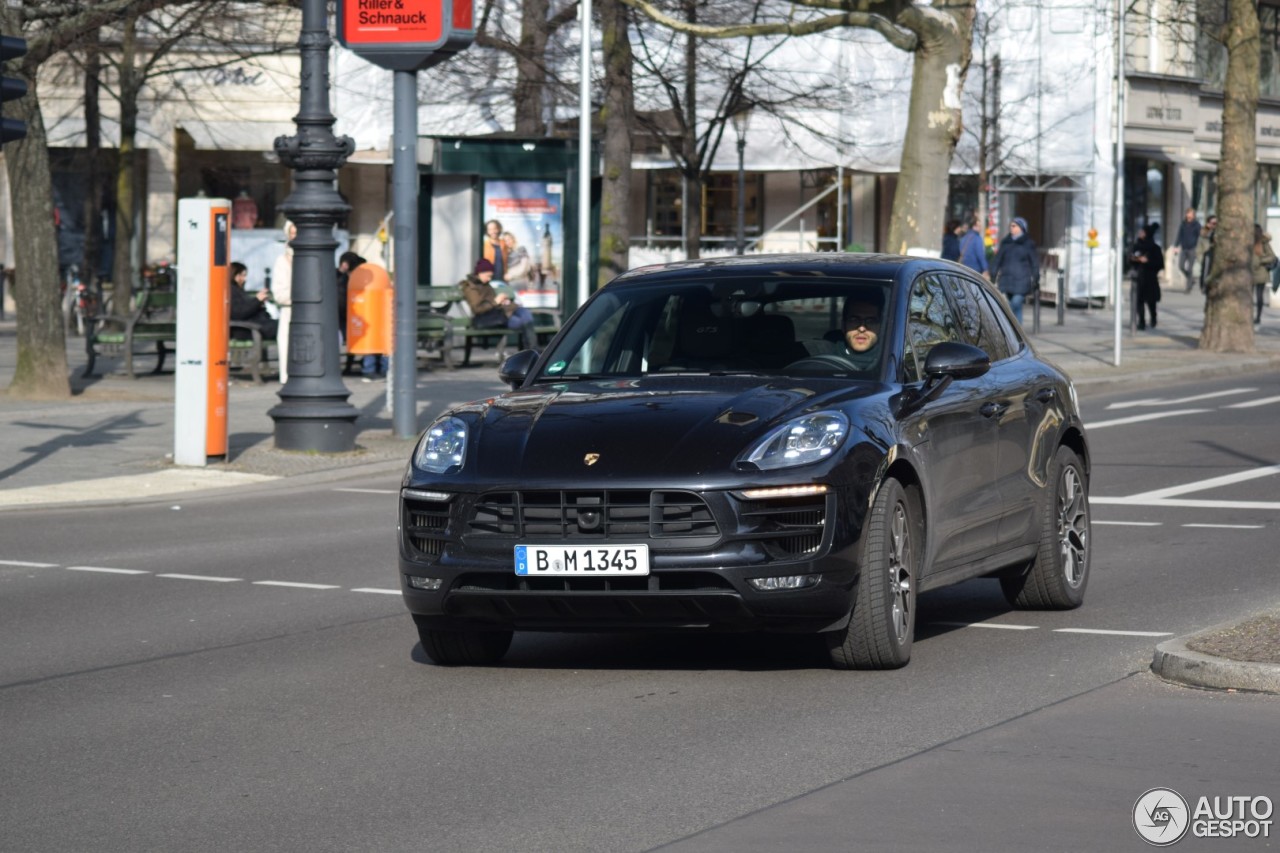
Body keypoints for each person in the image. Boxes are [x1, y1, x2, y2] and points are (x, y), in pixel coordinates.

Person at [460, 258, 537, 351]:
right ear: (480, 273)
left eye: (491, 276)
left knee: (526, 314)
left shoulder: (486, 284)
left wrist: (504, 301)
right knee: (522, 322)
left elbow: (493, 301)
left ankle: (531, 350)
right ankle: (531, 351)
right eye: (487, 276)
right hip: (489, 318)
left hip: (499, 312)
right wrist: (496, 302)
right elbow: (477, 309)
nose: (489, 279)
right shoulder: (470, 288)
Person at [991, 216, 1039, 324]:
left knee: (1015, 304)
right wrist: (993, 274)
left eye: (1014, 226)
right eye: (1011, 226)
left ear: (1021, 228)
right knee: (1016, 309)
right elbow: (997, 260)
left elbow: (1034, 263)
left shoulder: (1028, 244)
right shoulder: (1006, 243)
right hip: (1007, 280)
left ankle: (1013, 330)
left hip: (1022, 281)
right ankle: (1017, 334)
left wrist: (1036, 277)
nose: (1011, 228)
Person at [271, 221, 297, 382]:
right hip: (289, 312)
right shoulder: (282, 261)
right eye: (293, 233)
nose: (295, 237)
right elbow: (279, 294)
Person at [228, 261, 278, 341]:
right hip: (245, 329)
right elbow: (239, 313)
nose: (244, 279)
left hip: (253, 326)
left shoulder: (237, 290)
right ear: (233, 275)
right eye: (242, 275)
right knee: (283, 327)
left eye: (245, 276)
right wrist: (257, 300)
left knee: (282, 326)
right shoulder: (231, 291)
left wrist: (259, 303)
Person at [1130, 223, 1164, 330]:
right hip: (1138, 278)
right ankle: (1141, 321)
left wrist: (1147, 261)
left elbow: (1159, 264)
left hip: (1150, 278)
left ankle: (1153, 317)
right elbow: (1129, 260)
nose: (1140, 233)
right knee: (1139, 301)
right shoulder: (1136, 246)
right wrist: (1133, 260)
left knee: (1151, 302)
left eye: (1143, 232)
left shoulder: (1155, 248)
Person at [840, 292, 885, 372]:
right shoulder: (823, 356)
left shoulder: (889, 362)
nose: (861, 328)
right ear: (843, 325)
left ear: (881, 327)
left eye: (871, 321)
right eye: (854, 320)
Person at [1250, 224, 1276, 325]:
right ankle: (1252, 316)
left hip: (1260, 273)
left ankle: (1258, 317)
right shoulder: (1247, 242)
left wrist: (1260, 261)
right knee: (1249, 296)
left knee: (1258, 296)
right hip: (1250, 273)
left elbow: (1272, 257)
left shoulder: (1263, 243)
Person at [1173, 207, 1202, 293]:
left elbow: (1199, 236)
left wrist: (1198, 246)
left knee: (1190, 269)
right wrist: (1176, 246)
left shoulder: (1197, 225)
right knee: (1181, 266)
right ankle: (1191, 279)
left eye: (1190, 214)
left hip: (1192, 248)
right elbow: (1179, 235)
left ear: (1193, 215)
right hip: (1184, 248)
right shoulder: (1183, 224)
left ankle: (1188, 288)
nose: (1188, 215)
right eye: (1187, 213)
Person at [957, 214, 989, 280]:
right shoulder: (977, 238)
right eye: (979, 226)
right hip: (975, 270)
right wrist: (985, 268)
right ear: (974, 226)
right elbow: (980, 254)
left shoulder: (964, 238)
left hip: (964, 269)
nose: (980, 228)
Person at [1197, 214, 1218, 293]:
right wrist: (1202, 260)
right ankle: (1204, 287)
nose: (1215, 225)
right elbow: (1199, 249)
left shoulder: (1219, 234)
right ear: (1208, 224)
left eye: (1216, 223)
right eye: (1213, 223)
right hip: (1207, 259)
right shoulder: (1203, 235)